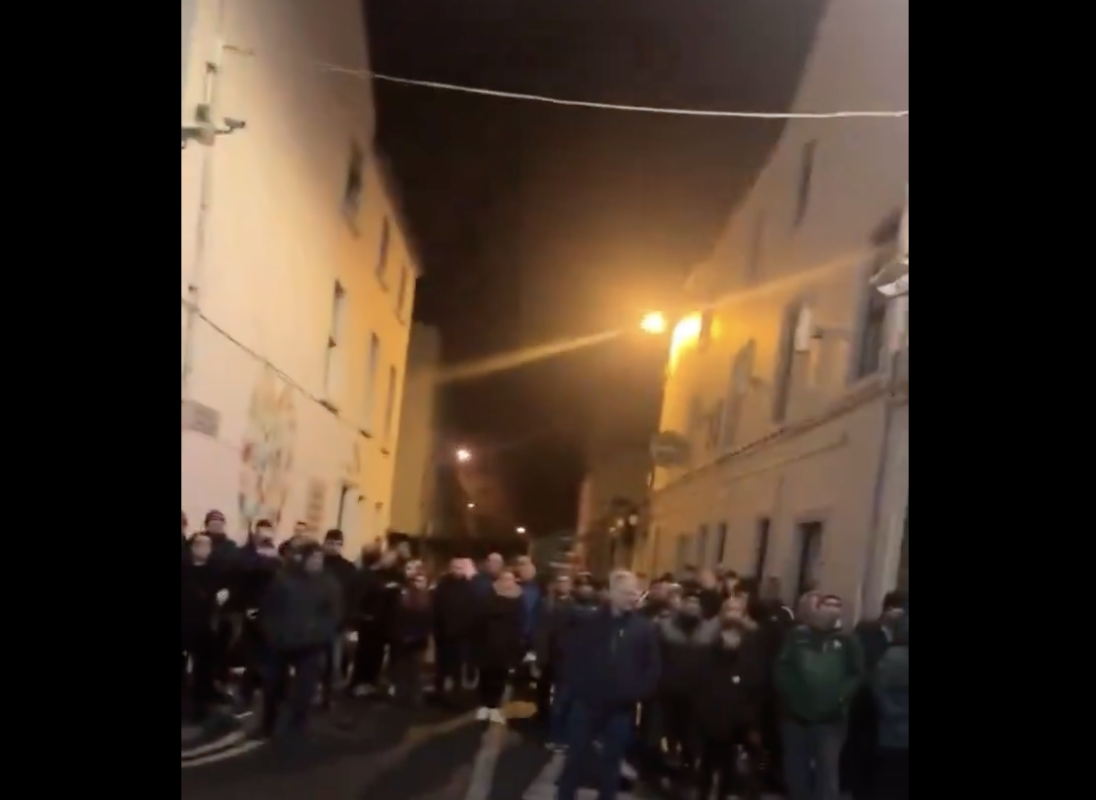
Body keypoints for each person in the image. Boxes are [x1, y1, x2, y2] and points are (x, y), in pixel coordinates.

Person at [557, 570, 660, 800]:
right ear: (612, 592)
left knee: (611, 764)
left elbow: (652, 667)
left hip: (621, 708)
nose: (632, 597)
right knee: (575, 759)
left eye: (634, 592)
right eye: (626, 593)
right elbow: (573, 659)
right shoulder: (589, 622)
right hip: (587, 703)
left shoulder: (644, 628)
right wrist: (581, 688)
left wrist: (636, 692)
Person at [775, 593, 865, 800]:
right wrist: (793, 698)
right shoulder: (796, 637)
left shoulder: (848, 641)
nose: (829, 610)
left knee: (827, 772)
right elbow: (782, 669)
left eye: (835, 606)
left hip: (831, 719)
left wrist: (839, 699)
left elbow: (856, 674)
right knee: (796, 773)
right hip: (795, 717)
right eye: (825, 605)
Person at [257, 542, 342, 740]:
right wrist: (271, 632)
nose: (317, 562)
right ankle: (268, 724)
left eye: (320, 559)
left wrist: (320, 633)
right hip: (281, 641)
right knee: (273, 686)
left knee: (306, 688)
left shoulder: (328, 583)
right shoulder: (283, 579)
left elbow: (334, 614)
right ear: (302, 558)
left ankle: (297, 726)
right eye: (313, 558)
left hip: (310, 644)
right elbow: (268, 609)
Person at [692, 611, 766, 800]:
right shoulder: (706, 656)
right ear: (721, 633)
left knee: (727, 768)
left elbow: (753, 693)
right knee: (706, 766)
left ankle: (722, 794)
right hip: (708, 724)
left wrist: (749, 723)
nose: (733, 638)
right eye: (729, 632)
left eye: (737, 634)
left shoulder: (748, 661)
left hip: (734, 726)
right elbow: (698, 688)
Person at [654, 590, 720, 783]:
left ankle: (686, 774)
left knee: (691, 739)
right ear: (681, 603)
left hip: (696, 696)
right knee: (666, 736)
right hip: (668, 693)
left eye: (695, 602)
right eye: (688, 601)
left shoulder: (710, 631)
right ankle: (662, 773)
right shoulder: (664, 627)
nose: (692, 605)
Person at [181, 533, 232, 723]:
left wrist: (225, 593)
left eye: (207, 545)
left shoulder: (216, 570)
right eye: (199, 544)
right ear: (192, 547)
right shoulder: (184, 567)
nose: (203, 548)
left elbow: (227, 590)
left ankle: (200, 707)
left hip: (205, 627)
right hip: (184, 623)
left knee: (203, 669)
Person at [471, 569, 525, 724]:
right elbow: (479, 618)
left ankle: (494, 706)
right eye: (504, 578)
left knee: (500, 676)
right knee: (485, 674)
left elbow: (520, 622)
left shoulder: (519, 598)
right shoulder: (488, 596)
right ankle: (483, 705)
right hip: (487, 642)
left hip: (507, 644)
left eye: (510, 579)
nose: (507, 582)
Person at [870, 613, 908, 800]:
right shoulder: (894, 658)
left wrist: (894, 714)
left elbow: (878, 691)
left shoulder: (890, 657)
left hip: (893, 733)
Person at [319, 529, 357, 708]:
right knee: (317, 662)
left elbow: (352, 597)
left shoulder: (348, 568)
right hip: (316, 622)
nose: (333, 547)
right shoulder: (317, 564)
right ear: (325, 543)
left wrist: (349, 623)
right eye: (331, 543)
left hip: (338, 623)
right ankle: (318, 693)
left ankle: (330, 696)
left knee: (334, 662)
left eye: (337, 544)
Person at [432, 558, 477, 700]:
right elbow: (436, 607)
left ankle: (457, 691)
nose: (457, 570)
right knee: (441, 663)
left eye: (459, 568)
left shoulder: (469, 587)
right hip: (442, 632)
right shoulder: (442, 585)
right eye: (454, 567)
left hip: (461, 633)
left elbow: (471, 609)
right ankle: (439, 690)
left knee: (458, 664)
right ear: (449, 568)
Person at [389, 569, 433, 706]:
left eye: (421, 581)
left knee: (416, 670)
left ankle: (414, 697)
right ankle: (401, 695)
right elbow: (397, 617)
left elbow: (430, 621)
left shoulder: (429, 599)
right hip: (403, 638)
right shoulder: (404, 597)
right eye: (416, 580)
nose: (418, 584)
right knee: (402, 669)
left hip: (418, 639)